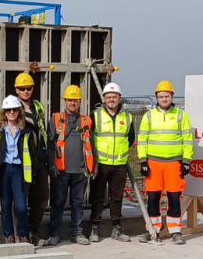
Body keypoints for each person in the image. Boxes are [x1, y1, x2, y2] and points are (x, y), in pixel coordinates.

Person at [136, 80, 193, 244]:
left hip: (174, 163)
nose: (164, 99)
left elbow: (187, 139)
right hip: (153, 163)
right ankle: (152, 230)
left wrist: (186, 161)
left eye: (166, 96)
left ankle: (175, 231)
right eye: (161, 96)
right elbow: (142, 139)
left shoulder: (181, 115)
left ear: (172, 96)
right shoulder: (149, 116)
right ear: (156, 97)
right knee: (153, 198)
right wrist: (142, 161)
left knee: (174, 198)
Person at [46, 85, 95, 246]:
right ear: (65, 101)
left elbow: (91, 145)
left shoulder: (86, 121)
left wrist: (93, 166)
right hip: (61, 170)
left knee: (77, 204)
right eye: (69, 100)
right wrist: (51, 165)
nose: (72, 103)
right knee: (58, 204)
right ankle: (55, 234)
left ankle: (78, 233)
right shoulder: (56, 119)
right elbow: (49, 144)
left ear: (80, 101)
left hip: (80, 171)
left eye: (75, 100)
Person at [0, 95, 37, 244]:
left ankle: (23, 234)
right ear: (4, 112)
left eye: (14, 109)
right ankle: (9, 236)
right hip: (3, 170)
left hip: (19, 170)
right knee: (5, 205)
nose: (12, 112)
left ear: (19, 111)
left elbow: (32, 153)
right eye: (8, 110)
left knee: (20, 206)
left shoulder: (26, 129)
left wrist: (34, 173)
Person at [88, 82, 135, 242]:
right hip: (100, 164)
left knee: (117, 198)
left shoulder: (127, 117)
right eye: (108, 97)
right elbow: (89, 138)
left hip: (119, 165)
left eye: (114, 97)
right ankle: (95, 228)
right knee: (97, 197)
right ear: (104, 99)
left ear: (119, 98)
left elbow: (130, 138)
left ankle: (116, 228)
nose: (111, 99)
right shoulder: (95, 116)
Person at [14, 72, 49, 245]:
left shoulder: (38, 106)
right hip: (22, 161)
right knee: (21, 200)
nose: (26, 91)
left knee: (41, 197)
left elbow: (43, 132)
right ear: (16, 90)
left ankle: (34, 231)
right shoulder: (13, 107)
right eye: (22, 89)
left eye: (28, 88)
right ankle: (21, 233)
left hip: (40, 160)